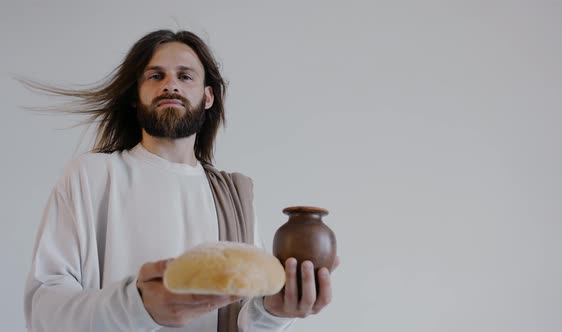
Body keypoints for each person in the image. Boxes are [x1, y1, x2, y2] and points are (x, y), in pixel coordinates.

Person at [23, 29, 337, 332]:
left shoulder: (233, 196)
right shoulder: (90, 176)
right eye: (155, 76)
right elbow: (43, 310)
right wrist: (136, 306)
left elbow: (247, 320)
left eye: (185, 76)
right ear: (136, 96)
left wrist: (275, 312)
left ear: (208, 96)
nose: (170, 85)